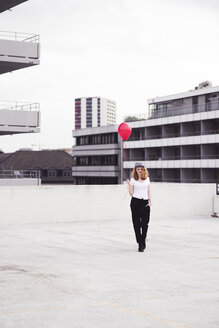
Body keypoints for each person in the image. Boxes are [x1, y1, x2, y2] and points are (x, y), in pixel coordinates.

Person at [127, 162, 152, 252]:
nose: (140, 171)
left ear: (144, 170)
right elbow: (131, 194)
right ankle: (140, 243)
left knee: (145, 223)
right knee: (136, 224)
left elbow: (149, 191)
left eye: (141, 169)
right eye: (138, 169)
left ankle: (143, 239)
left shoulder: (147, 179)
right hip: (135, 202)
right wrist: (129, 185)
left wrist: (150, 202)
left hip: (145, 202)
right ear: (135, 170)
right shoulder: (133, 179)